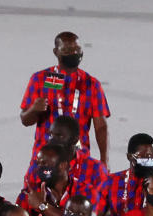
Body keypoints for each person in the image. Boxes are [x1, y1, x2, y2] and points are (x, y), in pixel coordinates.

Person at [20, 31, 110, 165]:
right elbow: (25, 120)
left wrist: (104, 160)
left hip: (80, 159)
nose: (73, 53)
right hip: (45, 158)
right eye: (67, 50)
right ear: (56, 52)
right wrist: (34, 110)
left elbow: (101, 127)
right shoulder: (40, 79)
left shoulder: (91, 84)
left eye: (77, 49)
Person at [23, 116, 108, 198]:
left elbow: (105, 204)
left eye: (59, 136)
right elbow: (26, 198)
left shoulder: (95, 169)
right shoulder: (39, 166)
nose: (53, 140)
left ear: (75, 140)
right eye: (51, 135)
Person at [17, 143, 97, 216]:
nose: (39, 168)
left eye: (44, 163)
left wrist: (43, 206)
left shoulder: (85, 191)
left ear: (62, 166)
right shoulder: (29, 194)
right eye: (38, 163)